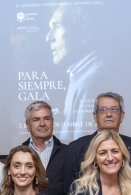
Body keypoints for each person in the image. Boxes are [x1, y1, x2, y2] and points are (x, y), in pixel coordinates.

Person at [46, 5, 109, 140]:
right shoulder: (79, 75)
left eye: (57, 27)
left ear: (85, 35)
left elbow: (83, 148)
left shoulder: (91, 80)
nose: (48, 37)